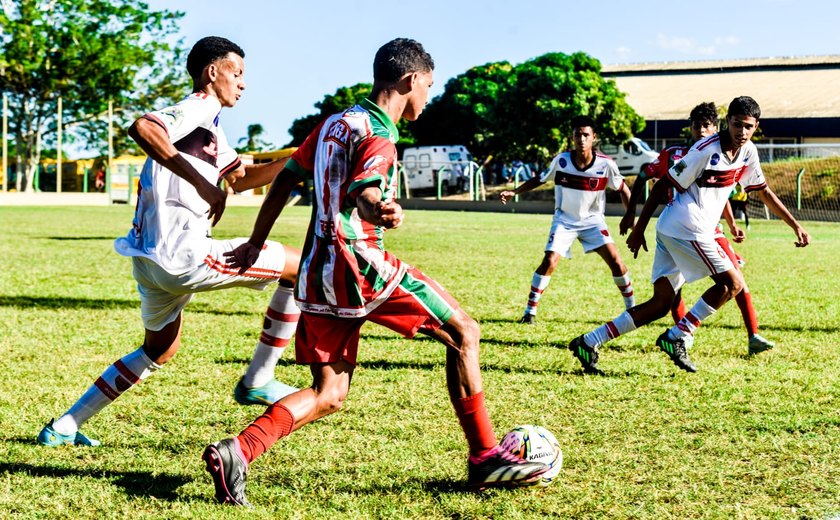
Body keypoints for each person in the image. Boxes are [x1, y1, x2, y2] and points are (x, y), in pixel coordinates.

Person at [201, 38, 548, 507]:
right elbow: (366, 188)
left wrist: (257, 241)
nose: (429, 96)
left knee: (329, 393)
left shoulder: (333, 124)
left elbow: (284, 179)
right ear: (410, 80)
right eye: (429, 85)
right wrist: (378, 207)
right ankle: (485, 456)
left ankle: (238, 451)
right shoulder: (380, 134)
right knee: (464, 331)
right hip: (359, 265)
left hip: (316, 271)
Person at [38, 36, 301, 448]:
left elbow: (242, 178)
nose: (243, 84)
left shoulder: (212, 128)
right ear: (212, 72)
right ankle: (259, 379)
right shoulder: (196, 107)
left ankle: (65, 426)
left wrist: (299, 157)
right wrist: (202, 184)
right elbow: (144, 127)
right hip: (184, 256)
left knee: (160, 349)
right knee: (298, 266)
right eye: (237, 73)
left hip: (149, 261)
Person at [568, 96, 809, 374]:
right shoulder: (705, 150)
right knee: (732, 284)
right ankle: (678, 335)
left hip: (679, 229)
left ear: (756, 127)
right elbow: (661, 186)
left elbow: (763, 191)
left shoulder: (748, 152)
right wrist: (638, 228)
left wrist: (795, 225)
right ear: (727, 121)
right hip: (686, 227)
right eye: (737, 124)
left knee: (661, 304)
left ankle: (589, 341)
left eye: (748, 127)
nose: (742, 132)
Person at [620, 102, 775, 354]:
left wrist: (732, 223)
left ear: (715, 127)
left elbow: (720, 191)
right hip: (684, 226)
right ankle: (681, 334)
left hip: (708, 228)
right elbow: (648, 179)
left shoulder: (738, 151)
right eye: (697, 125)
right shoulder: (677, 154)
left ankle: (752, 334)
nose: (702, 130)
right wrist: (633, 219)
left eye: (707, 125)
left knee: (735, 281)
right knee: (675, 294)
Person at [499, 116, 634, 324]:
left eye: (585, 135)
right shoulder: (561, 161)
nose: (581, 139)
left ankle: (632, 309)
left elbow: (623, 189)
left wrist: (630, 217)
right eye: (577, 135)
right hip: (564, 221)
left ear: (594, 137)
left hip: (593, 222)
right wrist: (514, 191)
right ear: (572, 138)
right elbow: (540, 179)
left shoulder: (606, 164)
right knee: (550, 261)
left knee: (616, 261)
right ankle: (529, 312)